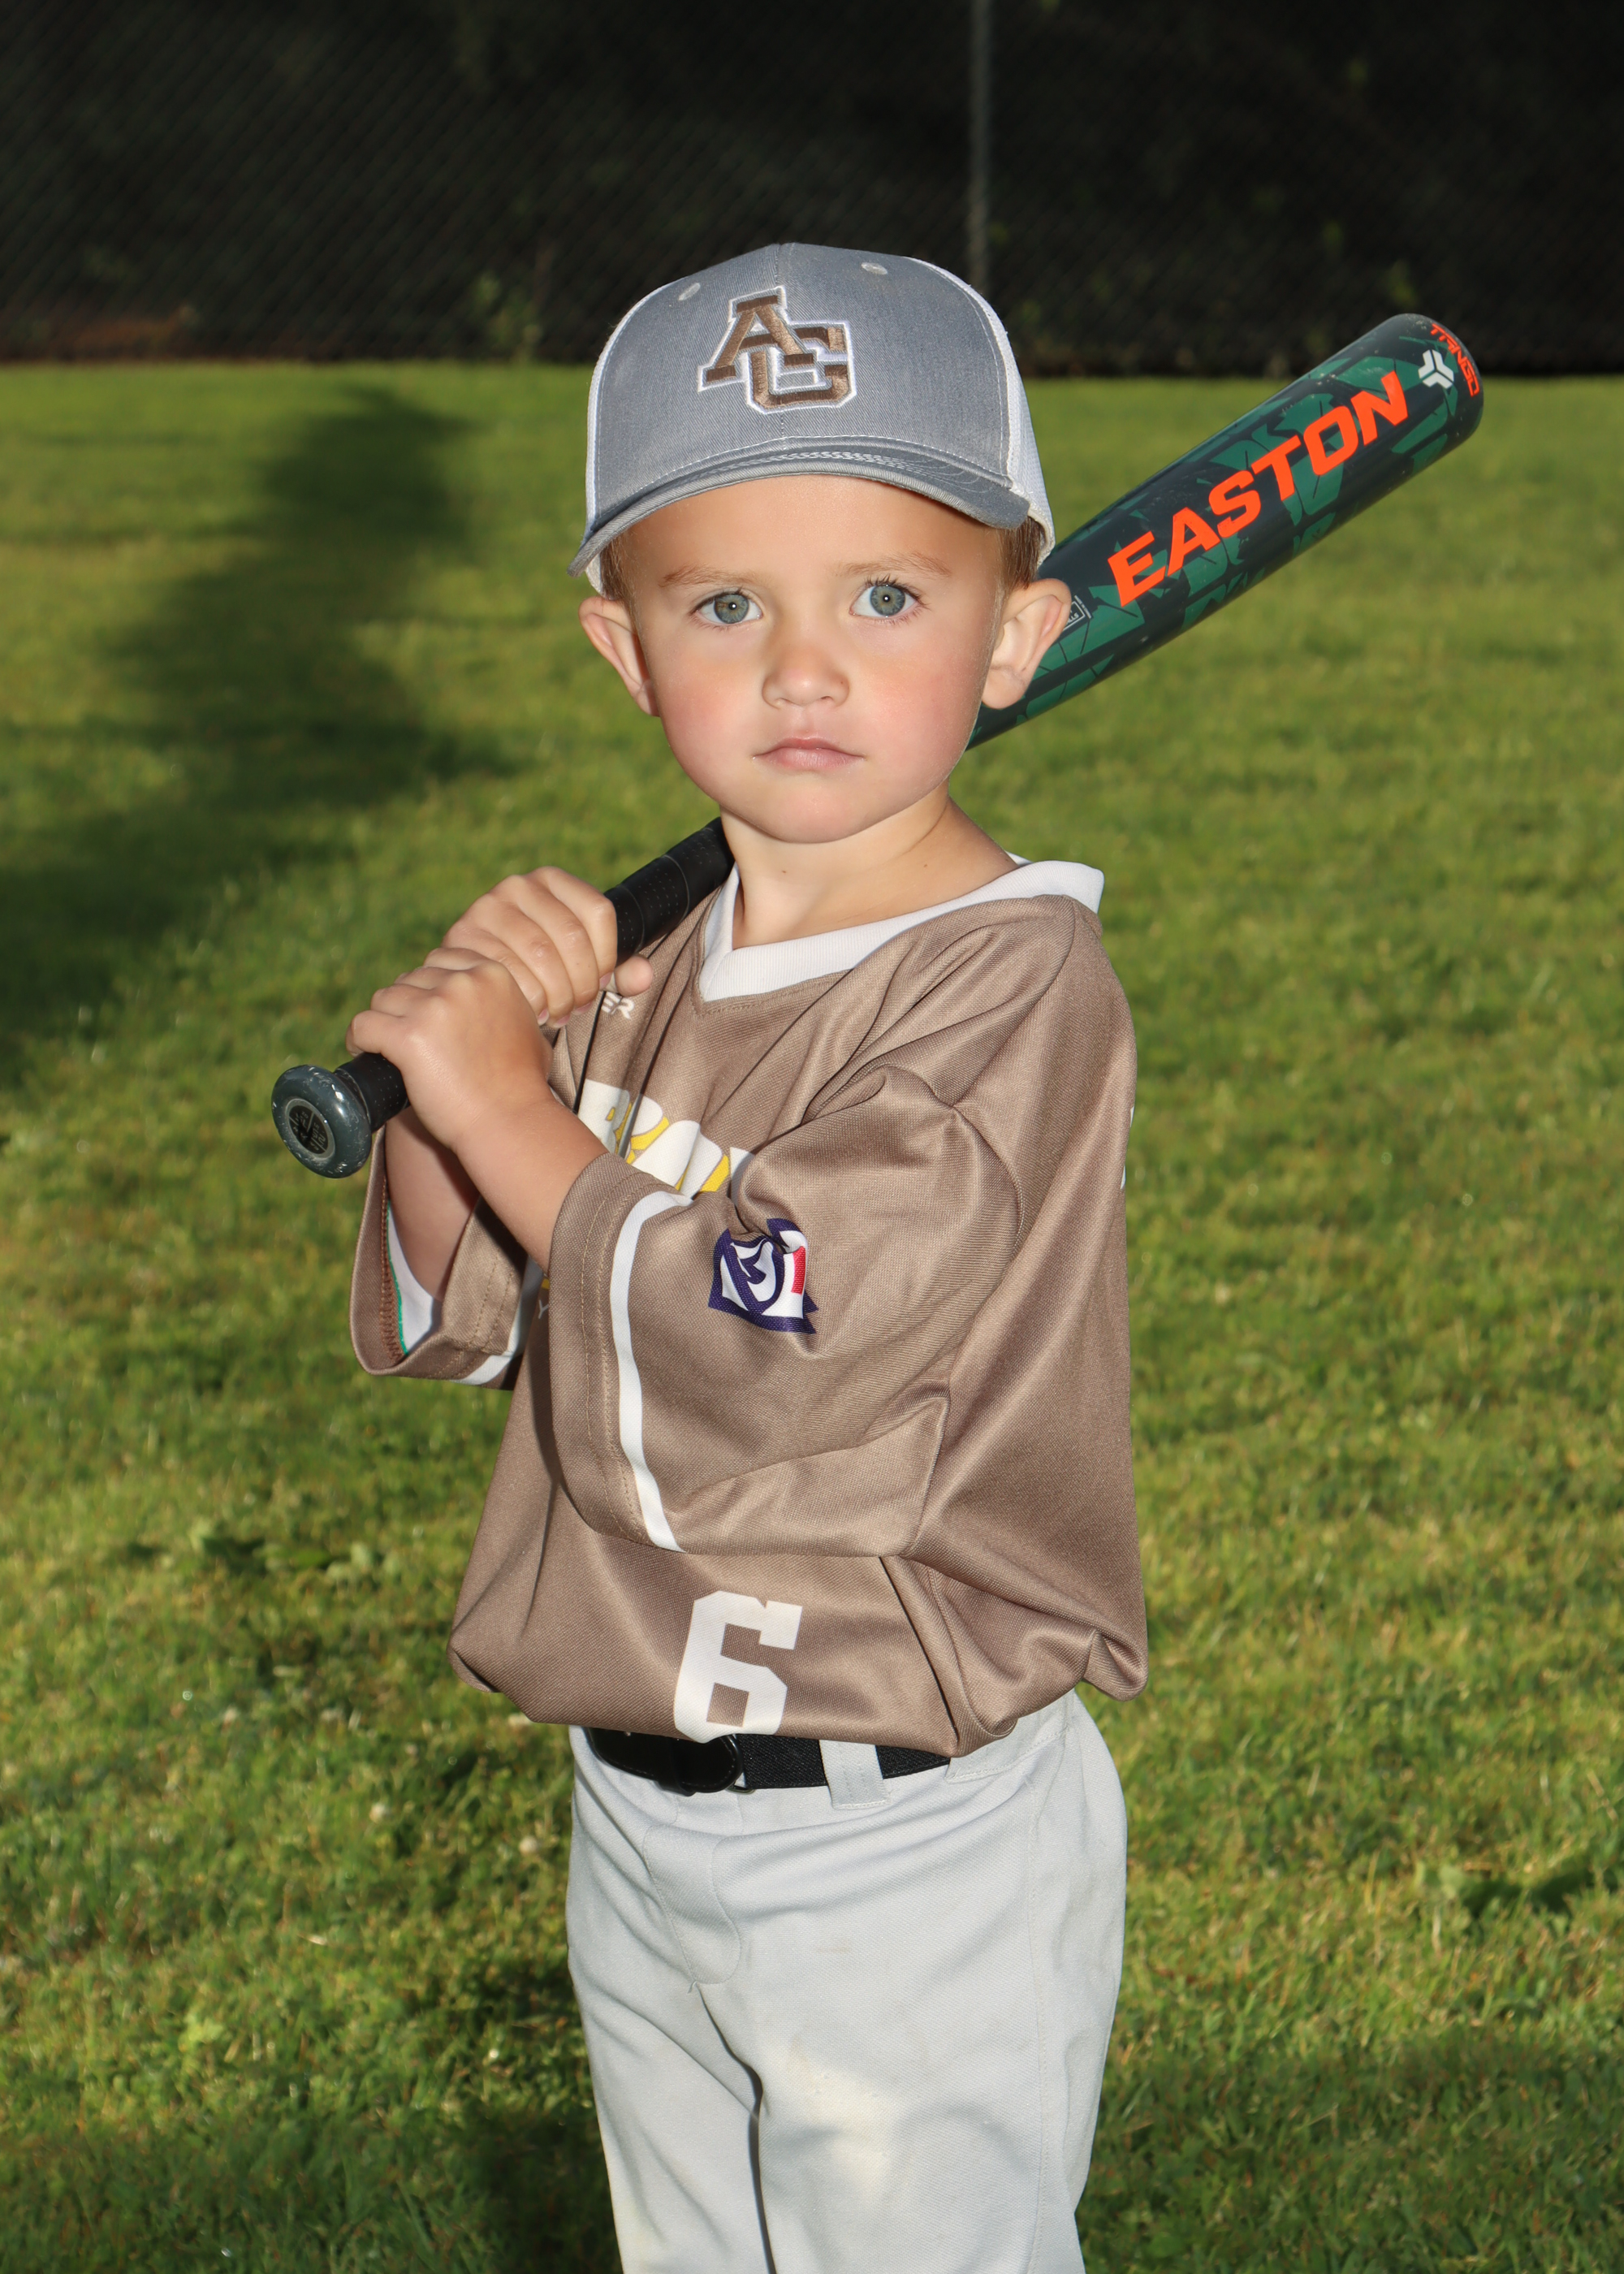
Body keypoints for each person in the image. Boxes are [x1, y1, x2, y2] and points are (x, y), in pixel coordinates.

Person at [345, 243, 1147, 2274]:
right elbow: (489, 1313)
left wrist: (517, 1111)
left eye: (886, 596)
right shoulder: (662, 966)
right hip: (643, 1803)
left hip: (903, 1836)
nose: (803, 669)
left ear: (1014, 631)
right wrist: (452, 1096)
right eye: (724, 604)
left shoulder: (1009, 986)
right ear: (624, 650)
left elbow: (767, 1320)